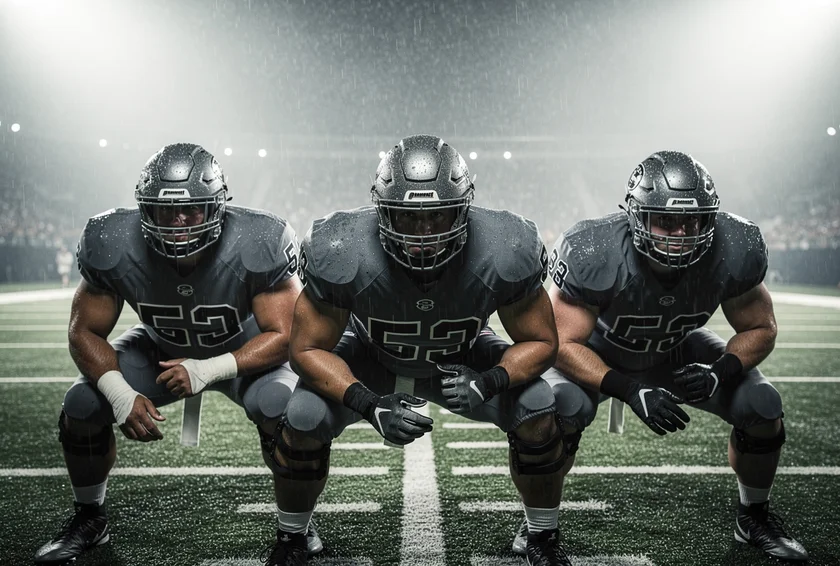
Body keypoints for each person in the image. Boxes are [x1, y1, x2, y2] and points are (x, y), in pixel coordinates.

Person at [265, 134, 581, 566]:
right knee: (303, 415)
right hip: (370, 356)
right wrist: (369, 403)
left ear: (464, 208)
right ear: (382, 210)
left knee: (538, 405)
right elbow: (305, 350)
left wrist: (490, 380)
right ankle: (293, 537)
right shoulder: (342, 247)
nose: (424, 233)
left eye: (438, 215)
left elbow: (543, 342)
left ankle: (541, 537)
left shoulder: (504, 247)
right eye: (408, 217)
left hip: (463, 357)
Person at [34, 143, 320, 564]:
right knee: (82, 403)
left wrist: (209, 369)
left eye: (192, 210)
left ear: (217, 208)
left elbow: (288, 334)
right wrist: (118, 392)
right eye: (166, 211)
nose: (179, 222)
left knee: (285, 406)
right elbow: (84, 331)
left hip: (242, 351)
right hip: (160, 348)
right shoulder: (112, 240)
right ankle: (90, 518)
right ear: (145, 210)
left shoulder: (258, 239)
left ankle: (295, 533)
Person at [530, 150, 808, 561]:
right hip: (599, 354)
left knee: (762, 405)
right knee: (557, 410)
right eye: (666, 221)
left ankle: (753, 517)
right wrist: (629, 389)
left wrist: (720, 371)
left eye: (691, 222)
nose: (680, 234)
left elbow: (760, 328)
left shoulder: (734, 248)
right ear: (637, 217)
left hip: (676, 349)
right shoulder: (595, 248)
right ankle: (540, 531)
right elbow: (560, 344)